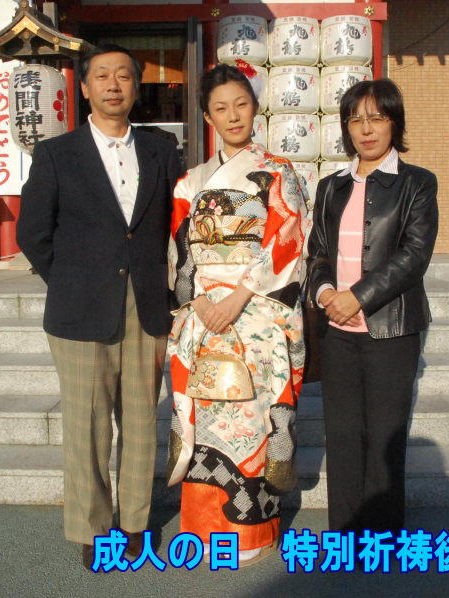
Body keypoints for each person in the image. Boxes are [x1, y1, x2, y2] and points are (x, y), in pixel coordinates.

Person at [16, 43, 182, 568]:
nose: (114, 84)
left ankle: (134, 524)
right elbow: (32, 233)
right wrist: (71, 281)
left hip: (146, 306)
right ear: (84, 87)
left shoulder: (161, 151)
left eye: (124, 76)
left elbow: (172, 228)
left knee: (141, 423)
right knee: (86, 427)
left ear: (136, 86)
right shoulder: (56, 154)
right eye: (102, 76)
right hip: (80, 310)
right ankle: (93, 528)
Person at [166, 64, 309, 566]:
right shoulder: (191, 182)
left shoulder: (279, 171)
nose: (233, 116)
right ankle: (205, 531)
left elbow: (288, 240)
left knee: (250, 417)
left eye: (241, 105)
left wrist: (238, 297)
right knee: (207, 413)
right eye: (221, 108)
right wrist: (201, 302)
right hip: (203, 312)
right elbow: (180, 251)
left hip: (257, 312)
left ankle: (249, 533)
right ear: (208, 117)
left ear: (255, 108)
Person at [307, 78, 438, 537]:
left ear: (394, 123)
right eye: (355, 119)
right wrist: (326, 294)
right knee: (342, 436)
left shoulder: (417, 183)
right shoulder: (331, 186)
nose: (366, 129)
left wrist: (357, 296)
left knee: (384, 437)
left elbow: (414, 255)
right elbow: (318, 253)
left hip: (391, 331)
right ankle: (344, 533)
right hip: (337, 332)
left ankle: (381, 538)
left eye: (376, 118)